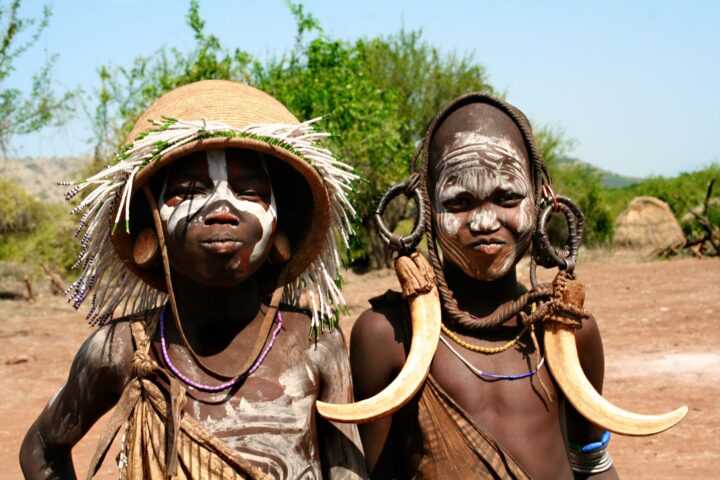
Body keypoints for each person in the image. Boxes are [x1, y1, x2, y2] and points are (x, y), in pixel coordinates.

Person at [19, 80, 367, 479]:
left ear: (278, 233)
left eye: (249, 192)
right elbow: (41, 450)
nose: (221, 208)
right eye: (188, 190)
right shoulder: (123, 350)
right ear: (149, 230)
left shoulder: (316, 344)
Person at [350, 93, 619, 479]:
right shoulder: (388, 336)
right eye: (459, 202)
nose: (484, 222)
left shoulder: (569, 332)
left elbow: (591, 462)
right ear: (424, 206)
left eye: (507, 197)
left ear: (543, 200)